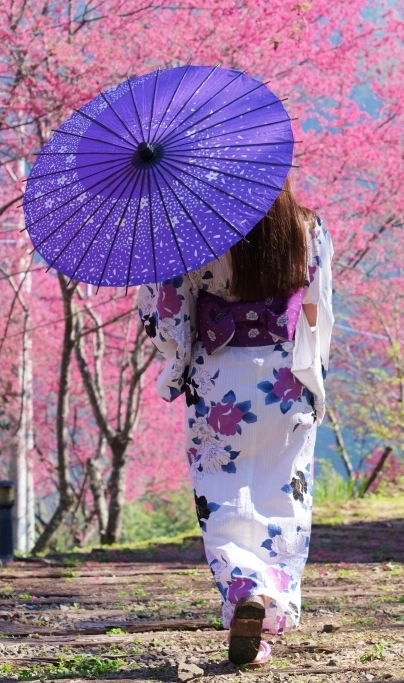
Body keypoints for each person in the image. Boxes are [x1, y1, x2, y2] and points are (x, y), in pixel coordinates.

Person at [136, 175, 334, 666]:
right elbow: (318, 310)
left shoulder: (189, 232)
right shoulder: (308, 230)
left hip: (220, 380)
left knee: (223, 495)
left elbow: (165, 314)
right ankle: (269, 602)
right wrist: (313, 377)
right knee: (283, 489)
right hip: (288, 377)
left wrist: (174, 357)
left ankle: (244, 588)